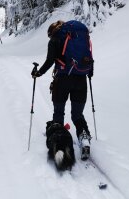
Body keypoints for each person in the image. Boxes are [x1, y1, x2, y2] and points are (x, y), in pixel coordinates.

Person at [32, 20, 93, 149]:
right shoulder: (79, 36)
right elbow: (88, 56)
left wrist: (39, 73)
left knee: (59, 112)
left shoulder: (55, 38)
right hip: (81, 79)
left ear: (51, 32)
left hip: (62, 80)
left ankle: (59, 142)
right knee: (77, 115)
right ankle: (84, 138)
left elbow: (50, 60)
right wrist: (89, 72)